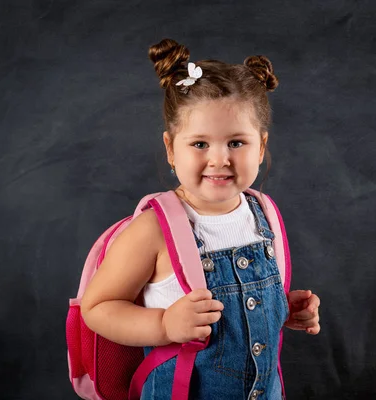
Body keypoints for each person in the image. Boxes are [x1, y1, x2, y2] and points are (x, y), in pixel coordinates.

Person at [80, 38, 321, 399]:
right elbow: (98, 308)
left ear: (262, 147)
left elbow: (244, 309)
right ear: (170, 149)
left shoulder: (263, 214)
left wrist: (281, 308)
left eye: (237, 143)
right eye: (200, 144)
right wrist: (163, 324)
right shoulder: (153, 230)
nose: (219, 159)